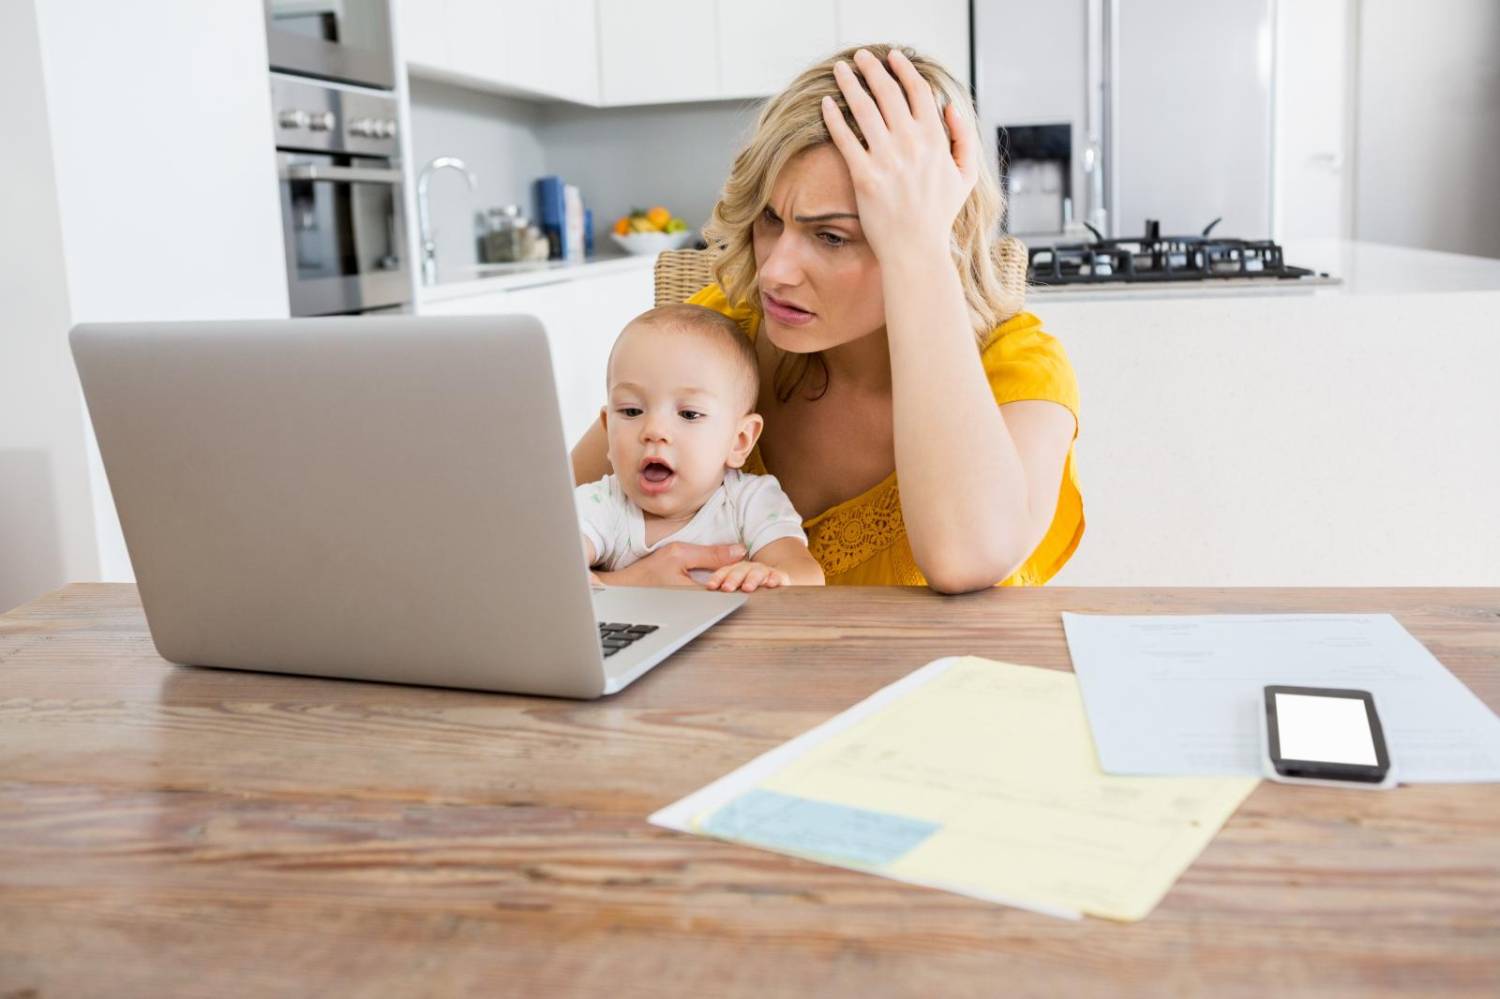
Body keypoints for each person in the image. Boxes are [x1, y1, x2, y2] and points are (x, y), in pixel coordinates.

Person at [573, 44, 1083, 594]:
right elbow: (532, 530)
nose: (775, 272)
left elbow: (966, 560)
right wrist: (624, 583)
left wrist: (918, 250)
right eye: (771, 219)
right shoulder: (713, 339)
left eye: (832, 236)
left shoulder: (1019, 368)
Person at [577, 303, 824, 592]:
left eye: (689, 414)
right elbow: (546, 571)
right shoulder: (601, 505)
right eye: (632, 411)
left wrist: (774, 577)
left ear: (740, 440)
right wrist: (613, 582)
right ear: (607, 430)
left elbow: (807, 574)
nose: (654, 431)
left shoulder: (749, 503)